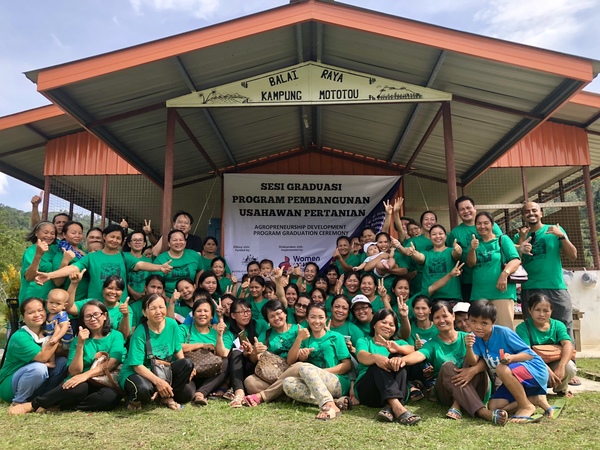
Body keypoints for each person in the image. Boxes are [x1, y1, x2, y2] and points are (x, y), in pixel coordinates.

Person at [399, 301, 504, 424]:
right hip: (446, 394)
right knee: (447, 366)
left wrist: (472, 371)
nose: (441, 320)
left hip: (478, 388)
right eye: (437, 317)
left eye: (445, 316)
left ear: (453, 316)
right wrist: (399, 360)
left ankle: (458, 403)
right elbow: (418, 355)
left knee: (470, 358)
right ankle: (481, 411)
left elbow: (487, 359)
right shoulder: (432, 344)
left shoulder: (470, 337)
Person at [24, 301, 126, 413]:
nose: (92, 319)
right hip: (83, 383)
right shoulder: (78, 339)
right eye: (88, 316)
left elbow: (113, 363)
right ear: (83, 320)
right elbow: (74, 372)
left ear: (105, 316)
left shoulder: (116, 335)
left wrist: (85, 375)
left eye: (96, 314)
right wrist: (80, 345)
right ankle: (35, 404)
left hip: (105, 381)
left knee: (109, 398)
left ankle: (62, 407)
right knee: (77, 388)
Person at [36, 224, 173, 303]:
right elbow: (73, 267)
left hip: (119, 307)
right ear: (104, 237)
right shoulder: (92, 257)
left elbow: (141, 265)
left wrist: (160, 267)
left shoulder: (124, 257)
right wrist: (50, 275)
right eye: (112, 236)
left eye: (118, 238)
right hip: (95, 305)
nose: (114, 240)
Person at [467, 300, 551, 423]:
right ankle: (533, 399)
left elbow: (529, 354)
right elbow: (473, 361)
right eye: (474, 321)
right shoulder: (474, 337)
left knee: (501, 368)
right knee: (494, 406)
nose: (478, 327)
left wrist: (512, 358)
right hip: (515, 378)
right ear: (468, 320)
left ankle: (525, 406)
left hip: (535, 371)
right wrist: (468, 347)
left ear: (493, 323)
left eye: (484, 323)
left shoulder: (503, 332)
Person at [119, 294, 194, 410]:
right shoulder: (140, 332)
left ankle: (165, 396)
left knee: (187, 364)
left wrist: (187, 370)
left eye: (161, 307)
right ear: (145, 312)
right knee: (143, 389)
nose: (158, 311)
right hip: (139, 372)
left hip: (162, 369)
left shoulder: (172, 324)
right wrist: (158, 382)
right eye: (153, 308)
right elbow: (137, 366)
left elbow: (177, 349)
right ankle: (135, 399)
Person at [516, 201, 578, 339]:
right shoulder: (519, 236)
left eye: (534, 210)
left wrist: (561, 236)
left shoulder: (554, 230)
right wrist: (521, 239)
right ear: (523, 216)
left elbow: (573, 255)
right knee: (532, 329)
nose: (531, 213)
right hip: (530, 288)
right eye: (527, 212)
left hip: (555, 286)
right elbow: (516, 262)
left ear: (541, 213)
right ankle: (537, 360)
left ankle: (568, 359)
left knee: (563, 325)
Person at [283, 304, 352, 420]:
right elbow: (290, 361)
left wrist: (319, 372)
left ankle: (329, 406)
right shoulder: (305, 338)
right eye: (313, 317)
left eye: (320, 317)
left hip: (337, 380)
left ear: (326, 319)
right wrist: (299, 340)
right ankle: (333, 402)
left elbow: (347, 365)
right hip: (315, 383)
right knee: (287, 383)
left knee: (305, 368)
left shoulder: (336, 337)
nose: (317, 321)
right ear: (307, 319)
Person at [0, 298, 67, 415]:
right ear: (23, 318)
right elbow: (43, 357)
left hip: (34, 382)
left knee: (61, 362)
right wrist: (57, 333)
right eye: (31, 313)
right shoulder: (20, 337)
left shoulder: (45, 332)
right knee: (39, 368)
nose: (37, 315)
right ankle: (18, 402)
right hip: (10, 385)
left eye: (40, 310)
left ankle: (39, 400)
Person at [354, 308, 421, 425]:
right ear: (374, 324)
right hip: (369, 391)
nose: (388, 326)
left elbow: (412, 350)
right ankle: (398, 408)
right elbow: (361, 356)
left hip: (397, 390)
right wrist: (376, 358)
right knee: (377, 364)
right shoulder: (364, 340)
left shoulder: (399, 343)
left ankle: (389, 406)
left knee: (399, 358)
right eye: (384, 322)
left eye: (391, 324)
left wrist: (397, 350)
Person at [515, 293, 576, 399]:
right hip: (534, 365)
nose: (542, 314)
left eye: (546, 311)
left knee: (569, 367)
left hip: (555, 363)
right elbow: (527, 352)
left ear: (551, 311)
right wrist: (547, 370)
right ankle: (536, 390)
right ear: (530, 310)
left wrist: (561, 367)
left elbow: (568, 345)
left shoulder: (558, 325)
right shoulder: (522, 328)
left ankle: (561, 389)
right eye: (537, 310)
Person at [467, 211, 521, 329]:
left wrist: (504, 275)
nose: (482, 226)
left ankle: (504, 349)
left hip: (501, 293)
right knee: (480, 330)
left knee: (504, 330)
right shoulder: (475, 243)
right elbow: (471, 264)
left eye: (486, 223)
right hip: (479, 293)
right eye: (479, 223)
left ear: (492, 225)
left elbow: (516, 260)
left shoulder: (503, 239)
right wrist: (472, 249)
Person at [243, 300, 300, 406]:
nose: (276, 318)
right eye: (272, 316)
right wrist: (255, 352)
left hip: (294, 374)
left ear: (285, 313)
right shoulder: (266, 335)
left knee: (299, 366)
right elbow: (255, 359)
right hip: (273, 376)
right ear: (268, 320)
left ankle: (269, 395)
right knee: (249, 381)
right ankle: (286, 395)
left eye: (279, 313)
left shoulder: (298, 329)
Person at [447, 196, 503, 301]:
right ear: (458, 212)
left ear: (475, 208)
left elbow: (502, 245)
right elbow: (452, 257)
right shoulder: (455, 233)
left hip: (492, 277)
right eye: (462, 209)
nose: (466, 211)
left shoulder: (492, 226)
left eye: (468, 208)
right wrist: (456, 252)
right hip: (468, 279)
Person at [180, 298, 229, 406]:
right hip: (190, 374)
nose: (202, 314)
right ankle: (199, 391)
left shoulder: (214, 333)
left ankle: (201, 393)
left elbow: (222, 354)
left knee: (225, 361)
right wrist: (202, 345)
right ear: (193, 314)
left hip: (209, 375)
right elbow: (177, 347)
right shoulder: (183, 329)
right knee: (186, 394)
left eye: (206, 311)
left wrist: (219, 335)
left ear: (211, 316)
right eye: (199, 311)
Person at [401, 224, 463, 304]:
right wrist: (413, 253)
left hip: (451, 296)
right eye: (434, 234)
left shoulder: (451, 251)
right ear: (430, 237)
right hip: (430, 298)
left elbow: (457, 254)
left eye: (440, 233)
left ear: (446, 236)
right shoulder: (426, 253)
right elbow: (420, 258)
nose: (437, 236)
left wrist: (458, 250)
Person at [67, 275, 133, 339]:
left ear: (122, 292)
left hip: (111, 347)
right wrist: (74, 284)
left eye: (118, 289)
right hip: (88, 344)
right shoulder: (91, 303)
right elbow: (69, 308)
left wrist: (125, 315)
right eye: (110, 288)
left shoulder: (126, 309)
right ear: (103, 289)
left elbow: (123, 336)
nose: (113, 292)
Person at [19, 221, 60, 305]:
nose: (49, 236)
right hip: (33, 297)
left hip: (51, 301)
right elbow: (29, 277)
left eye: (52, 233)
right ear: (36, 233)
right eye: (46, 232)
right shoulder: (31, 251)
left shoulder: (56, 249)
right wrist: (38, 255)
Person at [154, 229, 202, 297]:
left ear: (185, 242)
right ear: (168, 243)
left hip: (190, 296)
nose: (178, 242)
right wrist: (164, 297)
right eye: (175, 240)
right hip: (168, 297)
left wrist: (196, 287)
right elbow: (156, 281)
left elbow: (200, 270)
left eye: (181, 240)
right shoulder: (160, 259)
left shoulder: (194, 255)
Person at [43, 289, 74, 363]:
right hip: (54, 339)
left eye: (58, 304)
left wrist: (57, 337)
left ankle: (52, 362)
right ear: (47, 302)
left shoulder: (61, 315)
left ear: (64, 306)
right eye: (51, 302)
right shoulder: (47, 315)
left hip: (64, 341)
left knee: (46, 342)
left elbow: (64, 327)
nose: (54, 306)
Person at [122, 230, 152, 302]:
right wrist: (132, 292)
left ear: (144, 244)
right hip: (125, 297)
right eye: (134, 240)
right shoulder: (123, 256)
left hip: (143, 298)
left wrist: (146, 291)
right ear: (129, 244)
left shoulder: (149, 261)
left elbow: (150, 279)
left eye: (140, 240)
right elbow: (120, 277)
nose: (137, 242)